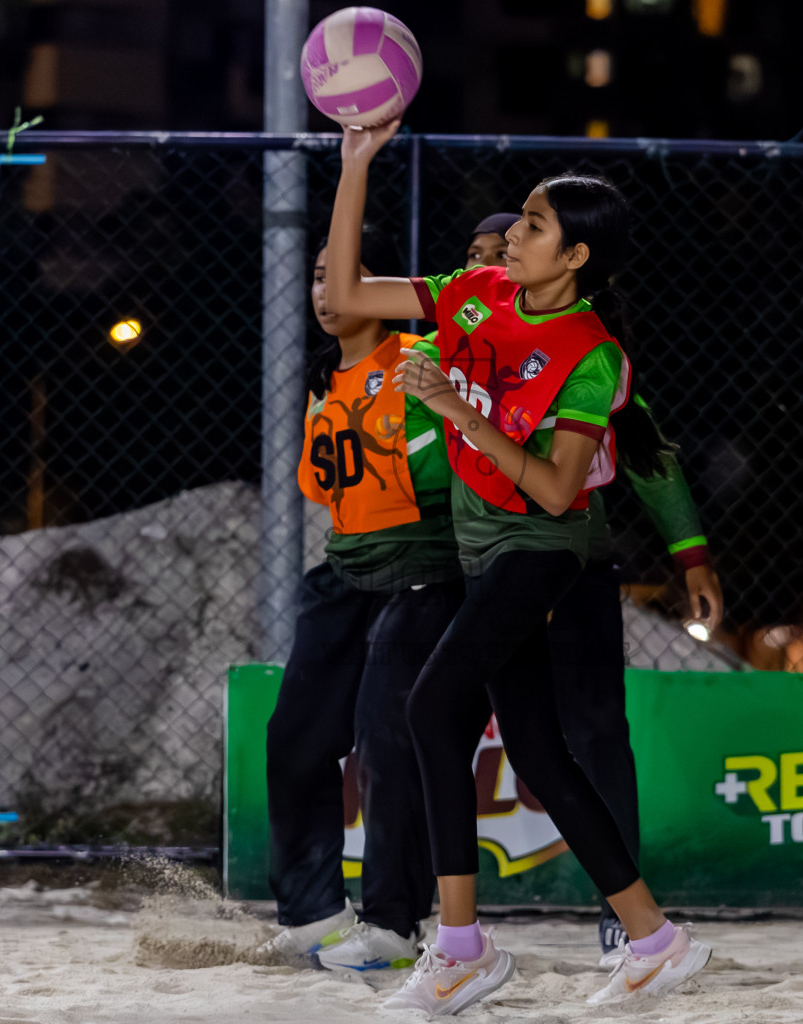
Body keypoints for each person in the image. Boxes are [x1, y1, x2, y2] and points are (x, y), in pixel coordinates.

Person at [324, 119, 711, 1015]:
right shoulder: (477, 291)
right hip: (482, 544)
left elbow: (552, 491)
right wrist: (354, 164)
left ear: (573, 255)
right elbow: (347, 291)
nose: (512, 236)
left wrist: (457, 410)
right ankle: (654, 939)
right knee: (536, 746)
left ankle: (460, 948)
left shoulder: (593, 356)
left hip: (544, 547)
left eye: (533, 225)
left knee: (431, 706)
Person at [456, 213, 724, 956]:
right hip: (477, 556)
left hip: (571, 555)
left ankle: (623, 913)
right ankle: (423, 916)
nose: (490, 266)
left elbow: (648, 455)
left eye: (503, 250)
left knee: (596, 727)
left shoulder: (586, 358)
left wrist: (692, 555)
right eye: (475, 259)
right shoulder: (457, 342)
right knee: (436, 719)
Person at [260, 225, 465, 974]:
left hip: (421, 568)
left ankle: (393, 923)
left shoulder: (418, 363)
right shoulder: (325, 386)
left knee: (387, 741)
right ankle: (314, 914)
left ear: (376, 289)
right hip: (346, 570)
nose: (323, 290)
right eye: (315, 276)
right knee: (295, 739)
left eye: (339, 274)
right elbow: (319, 488)